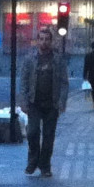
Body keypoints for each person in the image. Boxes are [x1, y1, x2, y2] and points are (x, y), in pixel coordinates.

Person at [20, 28, 69, 177]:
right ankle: (32, 161)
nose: (44, 42)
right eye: (41, 39)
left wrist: (62, 102)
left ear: (51, 41)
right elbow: (24, 81)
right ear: (37, 41)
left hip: (51, 104)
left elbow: (64, 82)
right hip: (34, 103)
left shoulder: (58, 60)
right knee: (32, 133)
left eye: (47, 39)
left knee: (48, 136)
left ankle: (45, 165)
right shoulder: (30, 59)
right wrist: (24, 101)